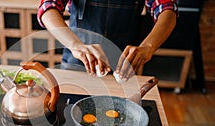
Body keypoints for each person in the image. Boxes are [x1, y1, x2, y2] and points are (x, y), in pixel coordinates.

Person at [37, 0, 178, 81]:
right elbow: (48, 7)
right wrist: (75, 45)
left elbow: (168, 10)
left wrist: (148, 46)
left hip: (124, 65)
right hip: (75, 63)